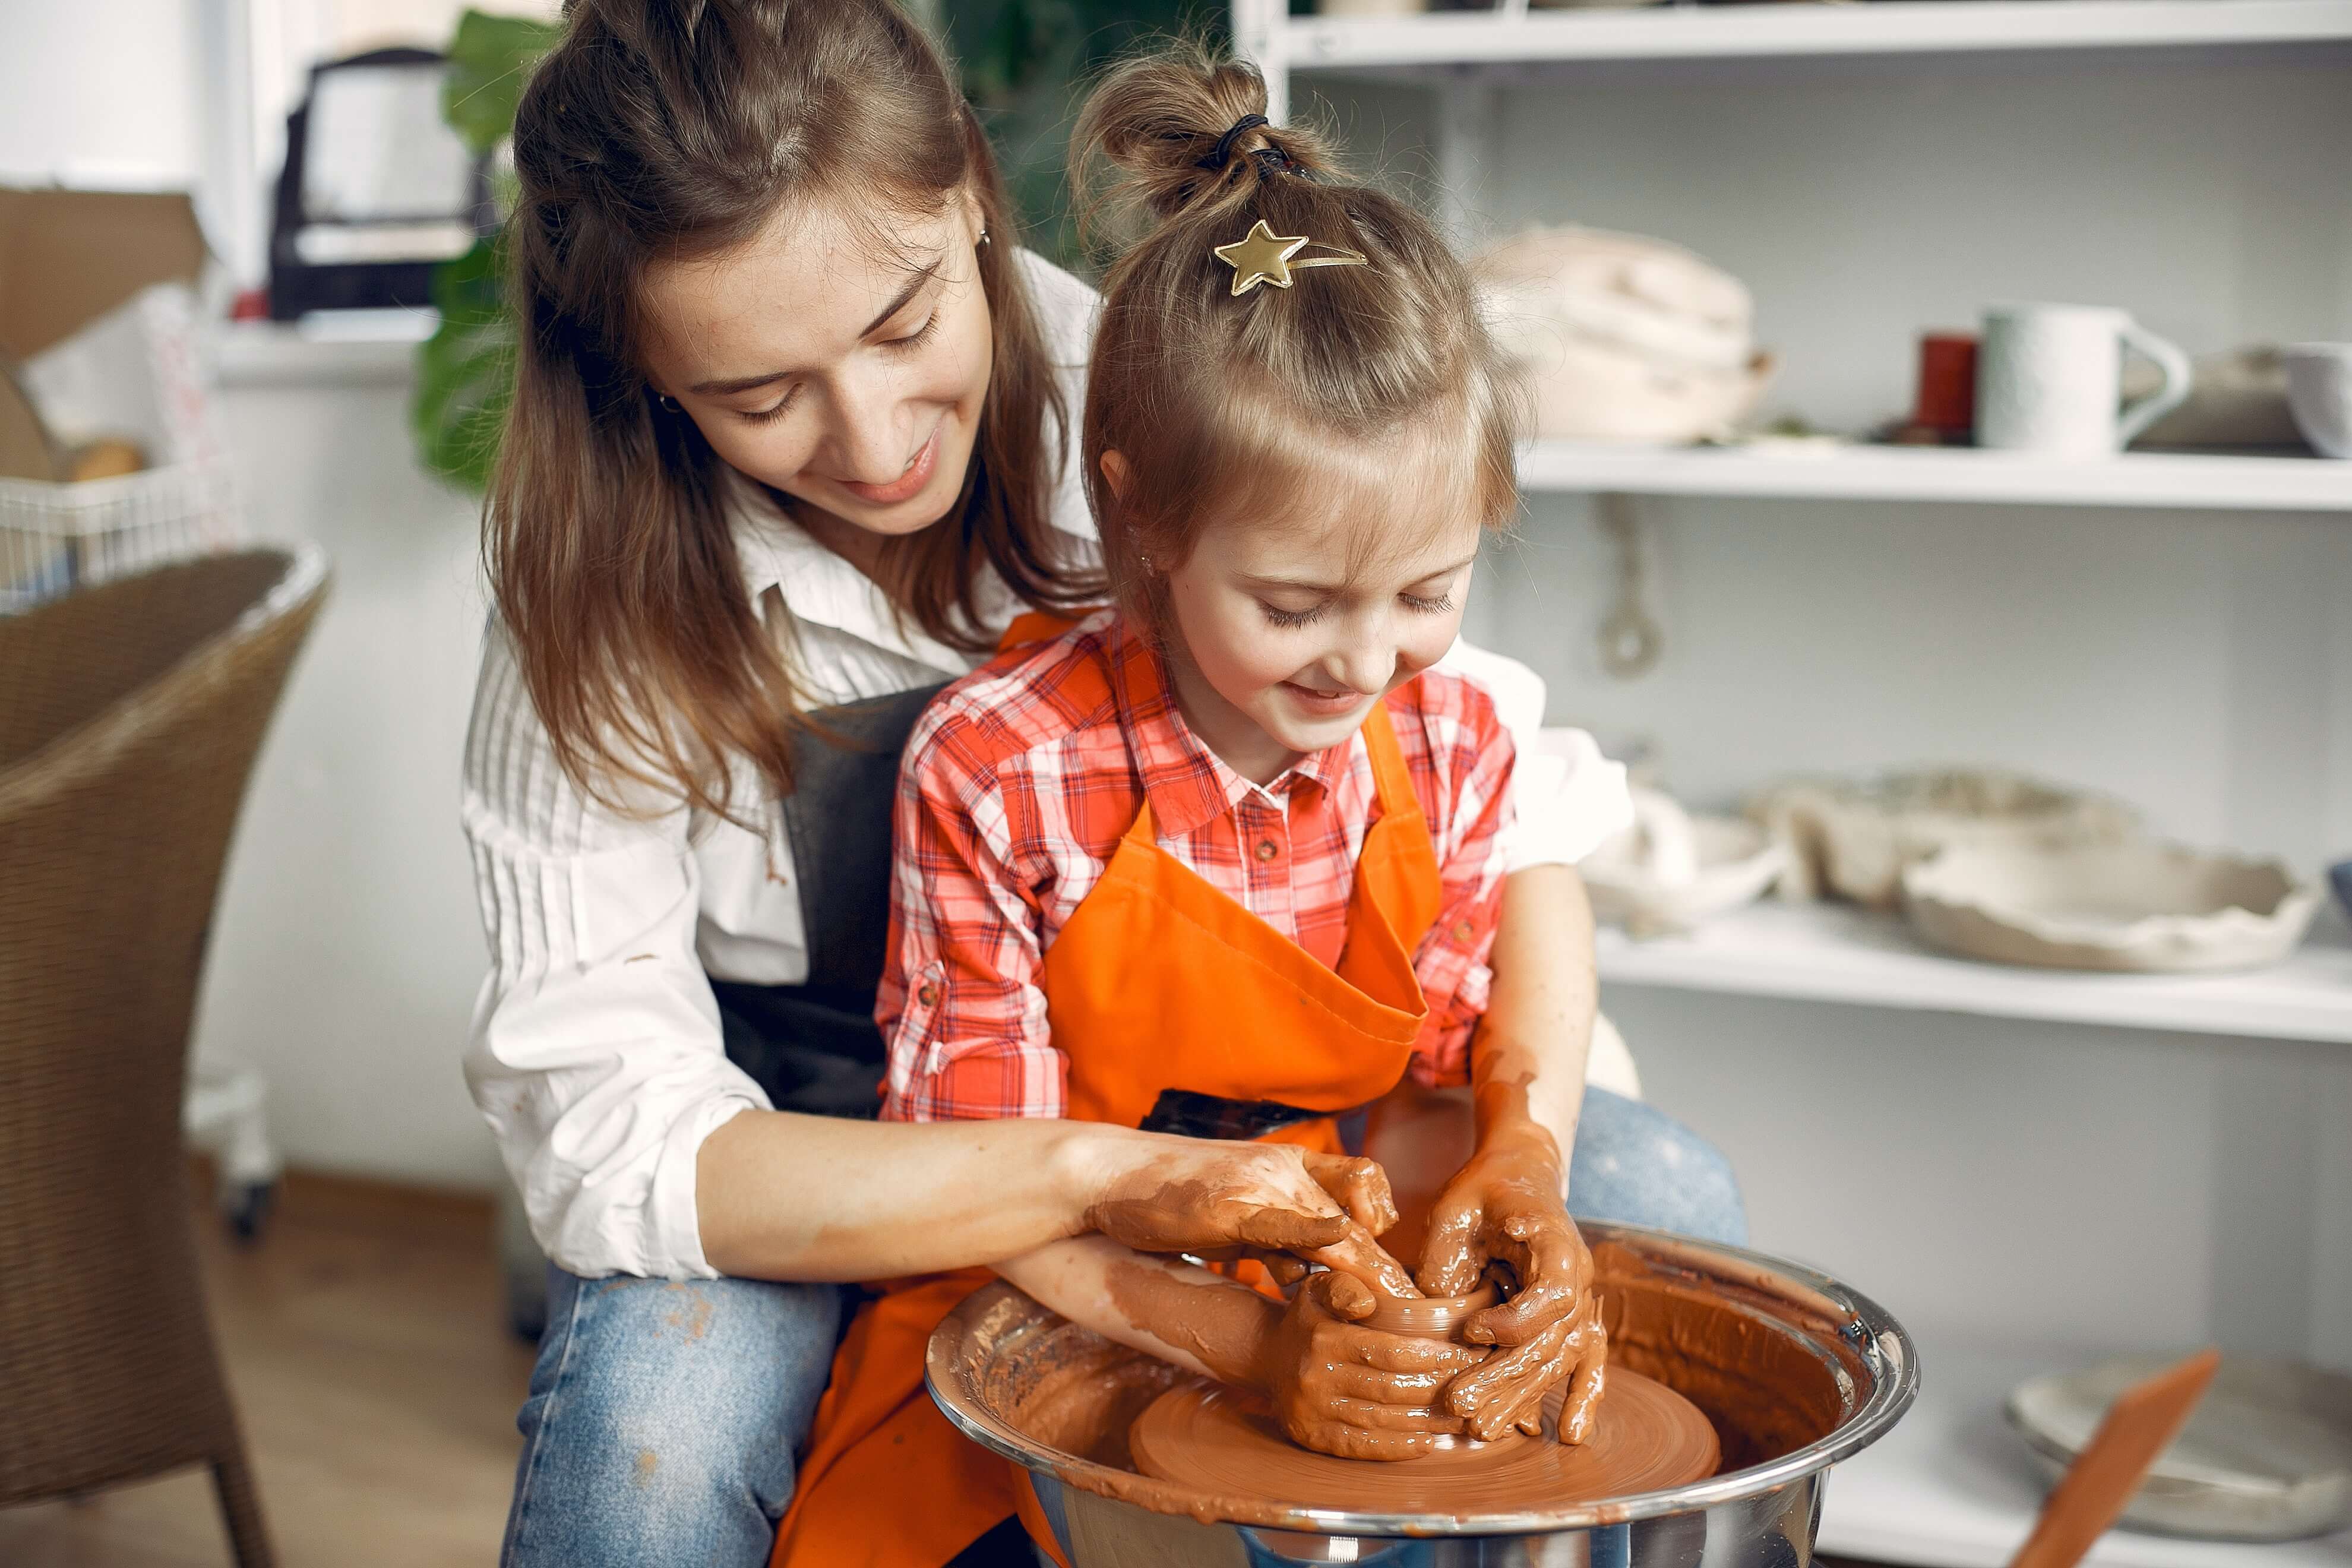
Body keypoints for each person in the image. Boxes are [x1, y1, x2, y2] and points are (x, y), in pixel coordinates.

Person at [460, 4, 1745, 1565]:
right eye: (757, 396)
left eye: (903, 323)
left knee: (1659, 1201)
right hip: (823, 1145)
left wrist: (1520, 1136)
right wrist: (1104, 1183)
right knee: (648, 1449)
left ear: (974, 211)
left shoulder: (1189, 380)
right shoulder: (598, 607)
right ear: (653, 377)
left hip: (1257, 1105)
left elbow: (1490, 786)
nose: (871, 443)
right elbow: (614, 1136)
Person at [773, 48, 1640, 1567]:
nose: (1366, 661)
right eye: (1299, 605)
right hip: (1052, 1267)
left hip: (1333, 1230)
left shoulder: (1445, 736)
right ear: (1148, 520)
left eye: (1429, 592)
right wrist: (1236, 1349)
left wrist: (1519, 1161)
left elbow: (1462, 1050)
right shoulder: (1000, 769)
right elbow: (990, 1182)